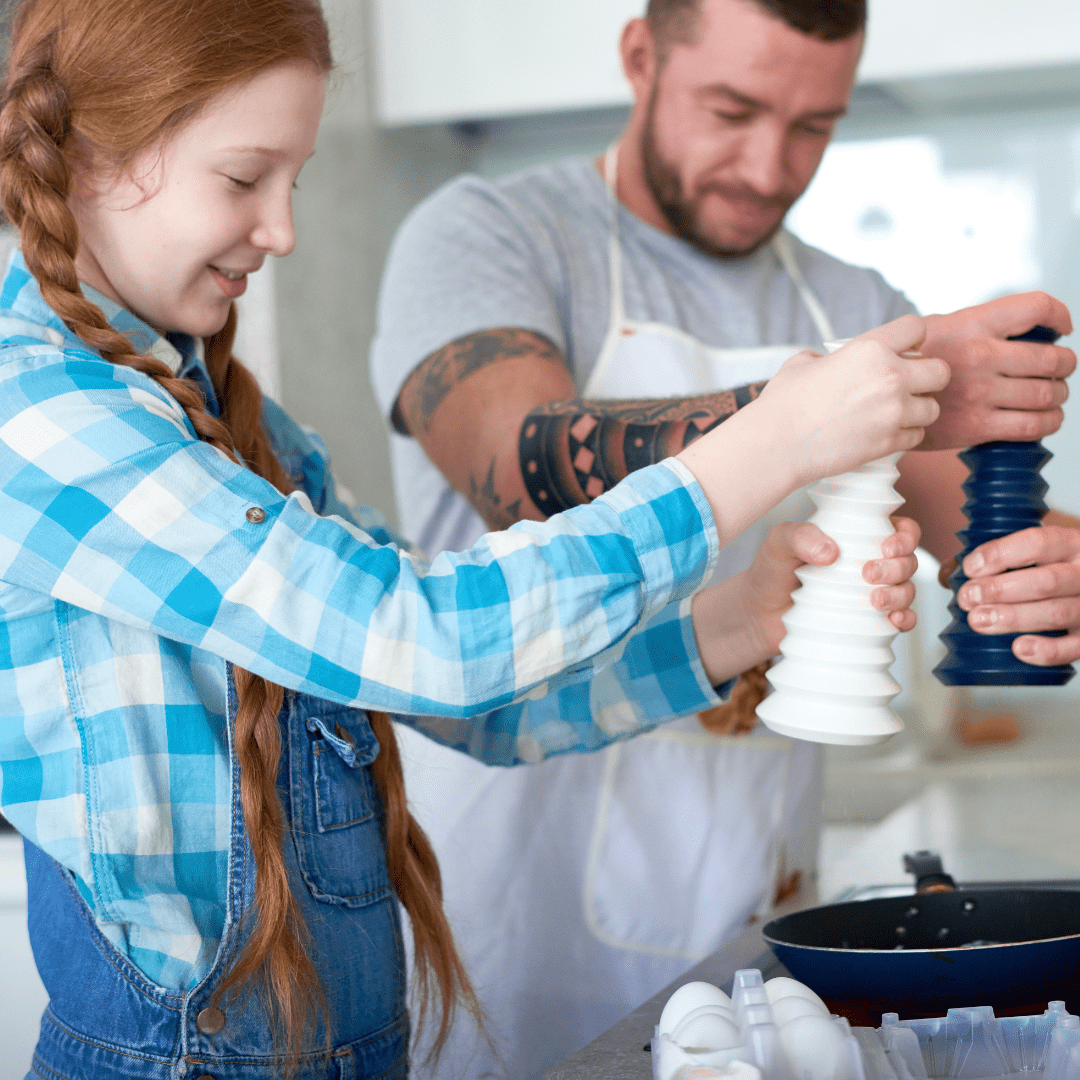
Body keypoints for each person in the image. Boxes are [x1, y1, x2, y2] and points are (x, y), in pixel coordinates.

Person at [0, 1, 943, 1078]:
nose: (282, 231)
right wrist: (761, 448)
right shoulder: (39, 415)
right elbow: (426, 638)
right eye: (244, 177)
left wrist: (734, 621)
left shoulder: (233, 424)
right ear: (92, 161)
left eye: (293, 182)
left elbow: (473, 698)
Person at [369, 0, 1079, 1075]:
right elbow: (519, 468)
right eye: (733, 109)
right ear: (641, 55)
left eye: (813, 127)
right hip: (502, 915)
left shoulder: (854, 299)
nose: (767, 164)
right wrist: (809, 411)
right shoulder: (492, 233)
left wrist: (1047, 578)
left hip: (749, 906)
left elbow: (990, 545)